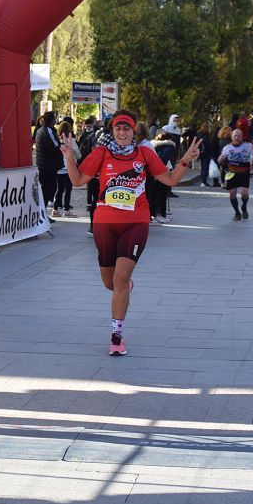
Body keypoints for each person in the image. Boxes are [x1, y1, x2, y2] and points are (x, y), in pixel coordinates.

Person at [60, 110, 200, 356]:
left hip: (136, 221)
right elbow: (78, 181)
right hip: (105, 222)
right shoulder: (101, 153)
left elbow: (169, 180)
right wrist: (69, 157)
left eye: (126, 129)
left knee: (120, 280)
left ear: (133, 131)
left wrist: (185, 160)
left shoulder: (144, 153)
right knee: (109, 282)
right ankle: (122, 288)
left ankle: (116, 336)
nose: (122, 133)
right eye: (118, 129)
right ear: (112, 131)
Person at [218, 129, 253, 221]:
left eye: (239, 136)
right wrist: (221, 159)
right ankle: (237, 213)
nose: (237, 137)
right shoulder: (227, 148)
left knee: (244, 192)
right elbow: (220, 159)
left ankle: (244, 206)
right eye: (235, 136)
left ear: (242, 137)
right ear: (231, 137)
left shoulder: (248, 146)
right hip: (231, 172)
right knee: (232, 194)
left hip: (244, 171)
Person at [34, 111, 63, 220]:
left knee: (47, 189)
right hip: (48, 165)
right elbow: (55, 147)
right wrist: (62, 145)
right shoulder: (47, 131)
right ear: (51, 120)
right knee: (48, 190)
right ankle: (42, 214)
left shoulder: (42, 130)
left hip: (45, 164)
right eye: (55, 118)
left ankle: (42, 213)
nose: (56, 120)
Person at [151, 129, 177, 224]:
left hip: (153, 171)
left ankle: (154, 213)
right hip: (164, 171)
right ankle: (161, 214)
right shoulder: (170, 146)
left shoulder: (153, 145)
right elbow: (167, 159)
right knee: (162, 194)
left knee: (154, 194)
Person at [54, 121, 79, 217]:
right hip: (69, 167)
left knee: (59, 189)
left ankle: (55, 209)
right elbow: (77, 153)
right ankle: (66, 210)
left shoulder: (56, 140)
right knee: (68, 189)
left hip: (59, 167)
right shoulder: (71, 140)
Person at [197, 123, 213, 187]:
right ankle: (204, 181)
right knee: (206, 168)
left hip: (200, 152)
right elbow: (208, 145)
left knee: (203, 167)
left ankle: (203, 181)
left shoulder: (198, 134)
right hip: (206, 153)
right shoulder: (206, 135)